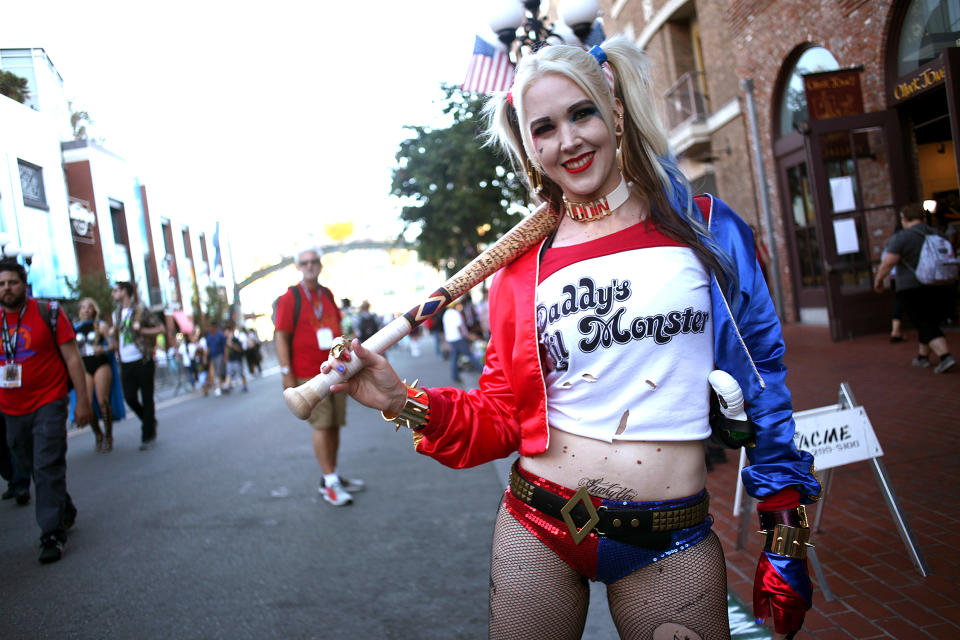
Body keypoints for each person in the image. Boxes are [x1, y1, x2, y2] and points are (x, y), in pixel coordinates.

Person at [320, 38, 820, 640]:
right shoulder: (522, 269)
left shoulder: (706, 229)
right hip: (539, 526)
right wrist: (402, 401)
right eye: (545, 128)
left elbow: (761, 380)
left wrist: (785, 532)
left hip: (669, 539)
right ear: (531, 147)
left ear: (614, 109)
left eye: (581, 113)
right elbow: (503, 416)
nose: (569, 141)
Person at [0, 259, 93, 563]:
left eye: (11, 282)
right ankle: (61, 505)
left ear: (24, 285)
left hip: (48, 401)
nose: (6, 288)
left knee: (46, 463)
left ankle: (51, 533)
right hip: (11, 408)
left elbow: (73, 359)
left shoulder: (48, 313)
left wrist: (82, 401)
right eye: (1, 284)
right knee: (29, 463)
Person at [275, 247, 363, 506]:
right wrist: (286, 374)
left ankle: (331, 476)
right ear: (298, 267)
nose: (310, 266)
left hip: (337, 371)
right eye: (305, 263)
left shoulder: (326, 294)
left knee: (335, 424)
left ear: (320, 265)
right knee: (323, 426)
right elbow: (280, 336)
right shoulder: (290, 297)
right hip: (308, 373)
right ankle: (330, 482)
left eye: (314, 261)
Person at [875, 203, 956, 374]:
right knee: (928, 319)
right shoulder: (937, 233)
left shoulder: (902, 237)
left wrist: (879, 279)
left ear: (904, 218)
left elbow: (888, 262)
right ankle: (923, 357)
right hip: (940, 283)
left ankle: (945, 356)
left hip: (912, 285)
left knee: (922, 321)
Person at [110, 281, 163, 450]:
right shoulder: (116, 314)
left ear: (125, 292)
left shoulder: (141, 309)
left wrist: (142, 331)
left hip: (143, 359)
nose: (113, 294)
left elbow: (160, 328)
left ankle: (147, 435)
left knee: (147, 398)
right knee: (130, 397)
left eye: (116, 290)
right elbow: (117, 335)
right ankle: (149, 421)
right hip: (126, 362)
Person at [74, 297, 115, 451]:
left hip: (100, 363)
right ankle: (98, 434)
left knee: (102, 400)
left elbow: (112, 345)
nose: (86, 310)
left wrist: (103, 349)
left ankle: (109, 436)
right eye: (83, 307)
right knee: (87, 402)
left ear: (94, 310)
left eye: (89, 307)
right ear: (79, 311)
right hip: (85, 366)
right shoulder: (74, 329)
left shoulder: (101, 326)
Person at [442, 299, 483, 383]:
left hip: (451, 338)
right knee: (470, 355)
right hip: (458, 338)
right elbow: (459, 327)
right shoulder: (455, 313)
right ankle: (482, 371)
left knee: (454, 357)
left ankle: (454, 376)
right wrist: (468, 336)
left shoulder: (446, 314)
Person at [203, 320, 227, 396]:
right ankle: (219, 386)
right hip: (213, 357)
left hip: (220, 355)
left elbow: (225, 347)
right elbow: (208, 348)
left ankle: (220, 387)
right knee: (213, 372)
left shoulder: (220, 335)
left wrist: (225, 357)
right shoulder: (209, 336)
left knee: (219, 372)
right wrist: (205, 357)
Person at [224, 323, 248, 393]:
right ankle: (227, 386)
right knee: (229, 373)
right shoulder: (226, 340)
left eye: (226, 331)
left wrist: (231, 345)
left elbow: (239, 349)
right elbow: (226, 350)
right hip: (230, 359)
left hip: (237, 359)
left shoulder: (235, 339)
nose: (225, 333)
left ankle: (244, 385)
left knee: (241, 373)